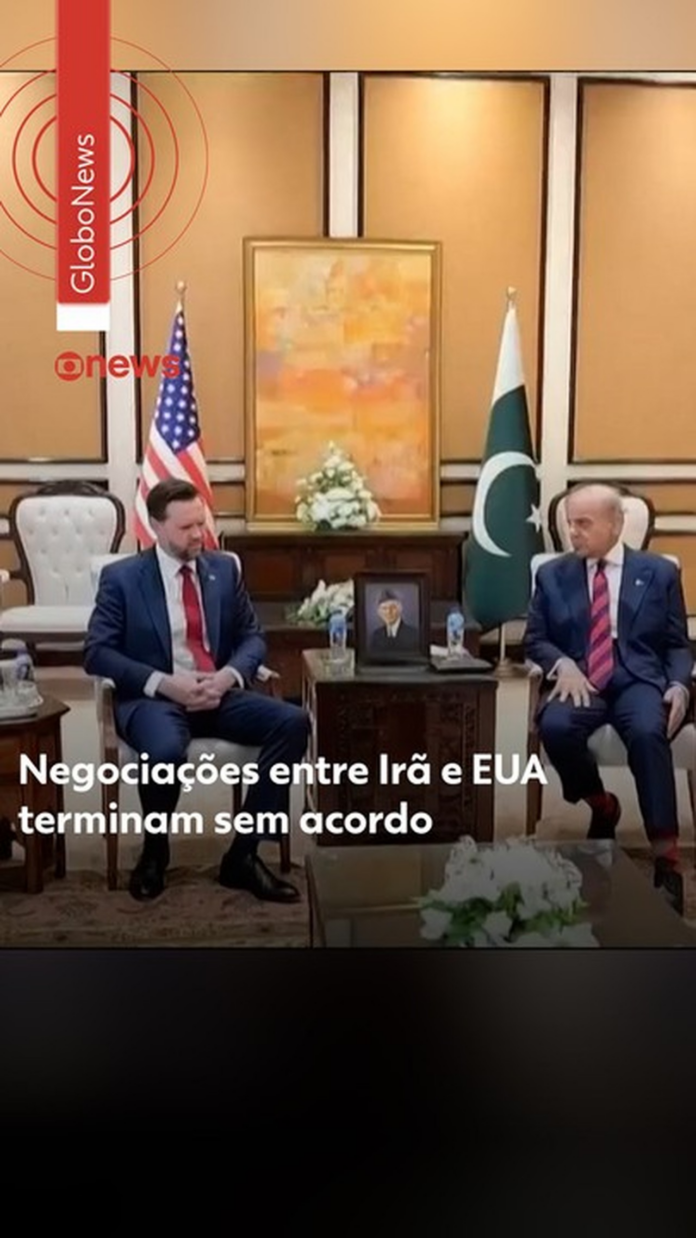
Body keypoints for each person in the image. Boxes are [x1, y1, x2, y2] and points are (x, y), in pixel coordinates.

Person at [84, 478, 310, 903]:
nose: (197, 534)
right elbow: (97, 653)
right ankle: (155, 852)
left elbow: (252, 637)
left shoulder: (223, 569)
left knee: (293, 722)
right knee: (165, 751)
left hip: (216, 691)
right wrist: (164, 683)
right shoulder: (123, 578)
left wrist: (227, 676)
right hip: (155, 698)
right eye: (185, 527)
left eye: (200, 523)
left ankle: (243, 855)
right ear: (156, 527)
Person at [524, 482, 693, 916]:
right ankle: (603, 805)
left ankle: (667, 861)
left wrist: (679, 685)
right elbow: (535, 639)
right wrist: (563, 664)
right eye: (569, 523)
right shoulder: (552, 574)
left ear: (616, 524)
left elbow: (677, 643)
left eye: (584, 523)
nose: (573, 532)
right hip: (581, 676)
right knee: (556, 727)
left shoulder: (659, 572)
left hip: (638, 677)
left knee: (649, 733)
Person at [368, 588, 420, 656]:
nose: (388, 612)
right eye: (384, 608)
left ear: (400, 609)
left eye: (393, 607)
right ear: (379, 612)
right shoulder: (376, 635)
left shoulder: (414, 634)